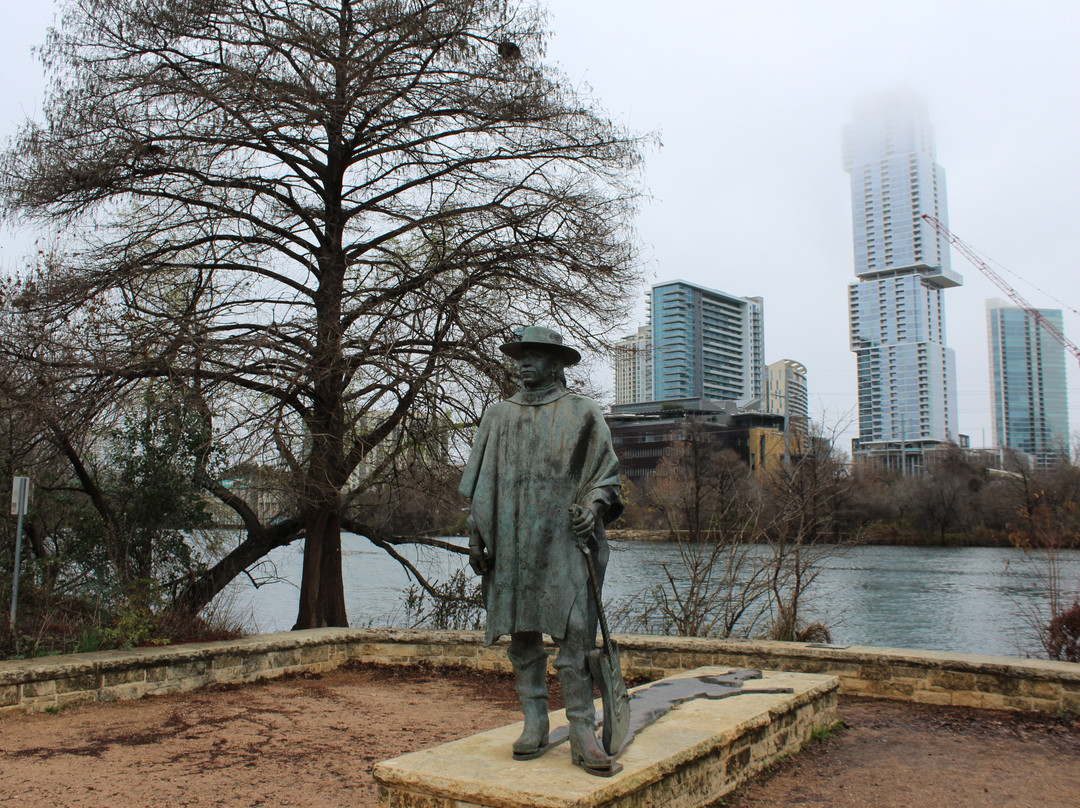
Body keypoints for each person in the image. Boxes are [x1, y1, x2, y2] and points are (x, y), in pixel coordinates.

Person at [459, 326, 623, 775]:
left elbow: (607, 477)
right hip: (511, 539)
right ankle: (534, 719)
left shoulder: (583, 413)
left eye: (534, 356)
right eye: (519, 356)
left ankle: (582, 727)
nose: (523, 364)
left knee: (574, 632)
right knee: (522, 633)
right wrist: (476, 536)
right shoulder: (498, 415)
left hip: (564, 540)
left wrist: (592, 507)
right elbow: (481, 486)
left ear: (557, 364)